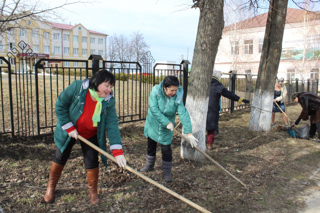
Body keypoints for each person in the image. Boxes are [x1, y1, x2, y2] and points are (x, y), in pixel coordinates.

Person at [43, 70, 127, 205]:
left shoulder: (108, 101)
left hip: (90, 134)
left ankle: (93, 191)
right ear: (96, 82)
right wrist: (69, 127)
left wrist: (117, 151)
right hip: (70, 130)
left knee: (92, 161)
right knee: (60, 157)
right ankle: (51, 187)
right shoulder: (78, 87)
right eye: (106, 85)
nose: (109, 89)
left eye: (111, 87)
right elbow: (60, 105)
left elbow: (112, 125)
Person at [140, 76, 198, 182]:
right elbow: (153, 108)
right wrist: (166, 122)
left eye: (175, 90)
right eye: (171, 90)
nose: (174, 92)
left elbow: (183, 113)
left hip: (167, 128)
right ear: (164, 87)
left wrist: (188, 133)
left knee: (166, 150)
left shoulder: (177, 97)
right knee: (151, 145)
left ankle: (167, 173)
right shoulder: (155, 91)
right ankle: (149, 165)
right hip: (153, 123)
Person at [206, 71, 250, 150]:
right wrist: (240, 99)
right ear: (218, 77)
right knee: (211, 128)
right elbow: (230, 95)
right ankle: (209, 145)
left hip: (202, 109)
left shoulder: (204, 83)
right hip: (212, 110)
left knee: (201, 127)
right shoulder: (218, 85)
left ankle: (199, 143)